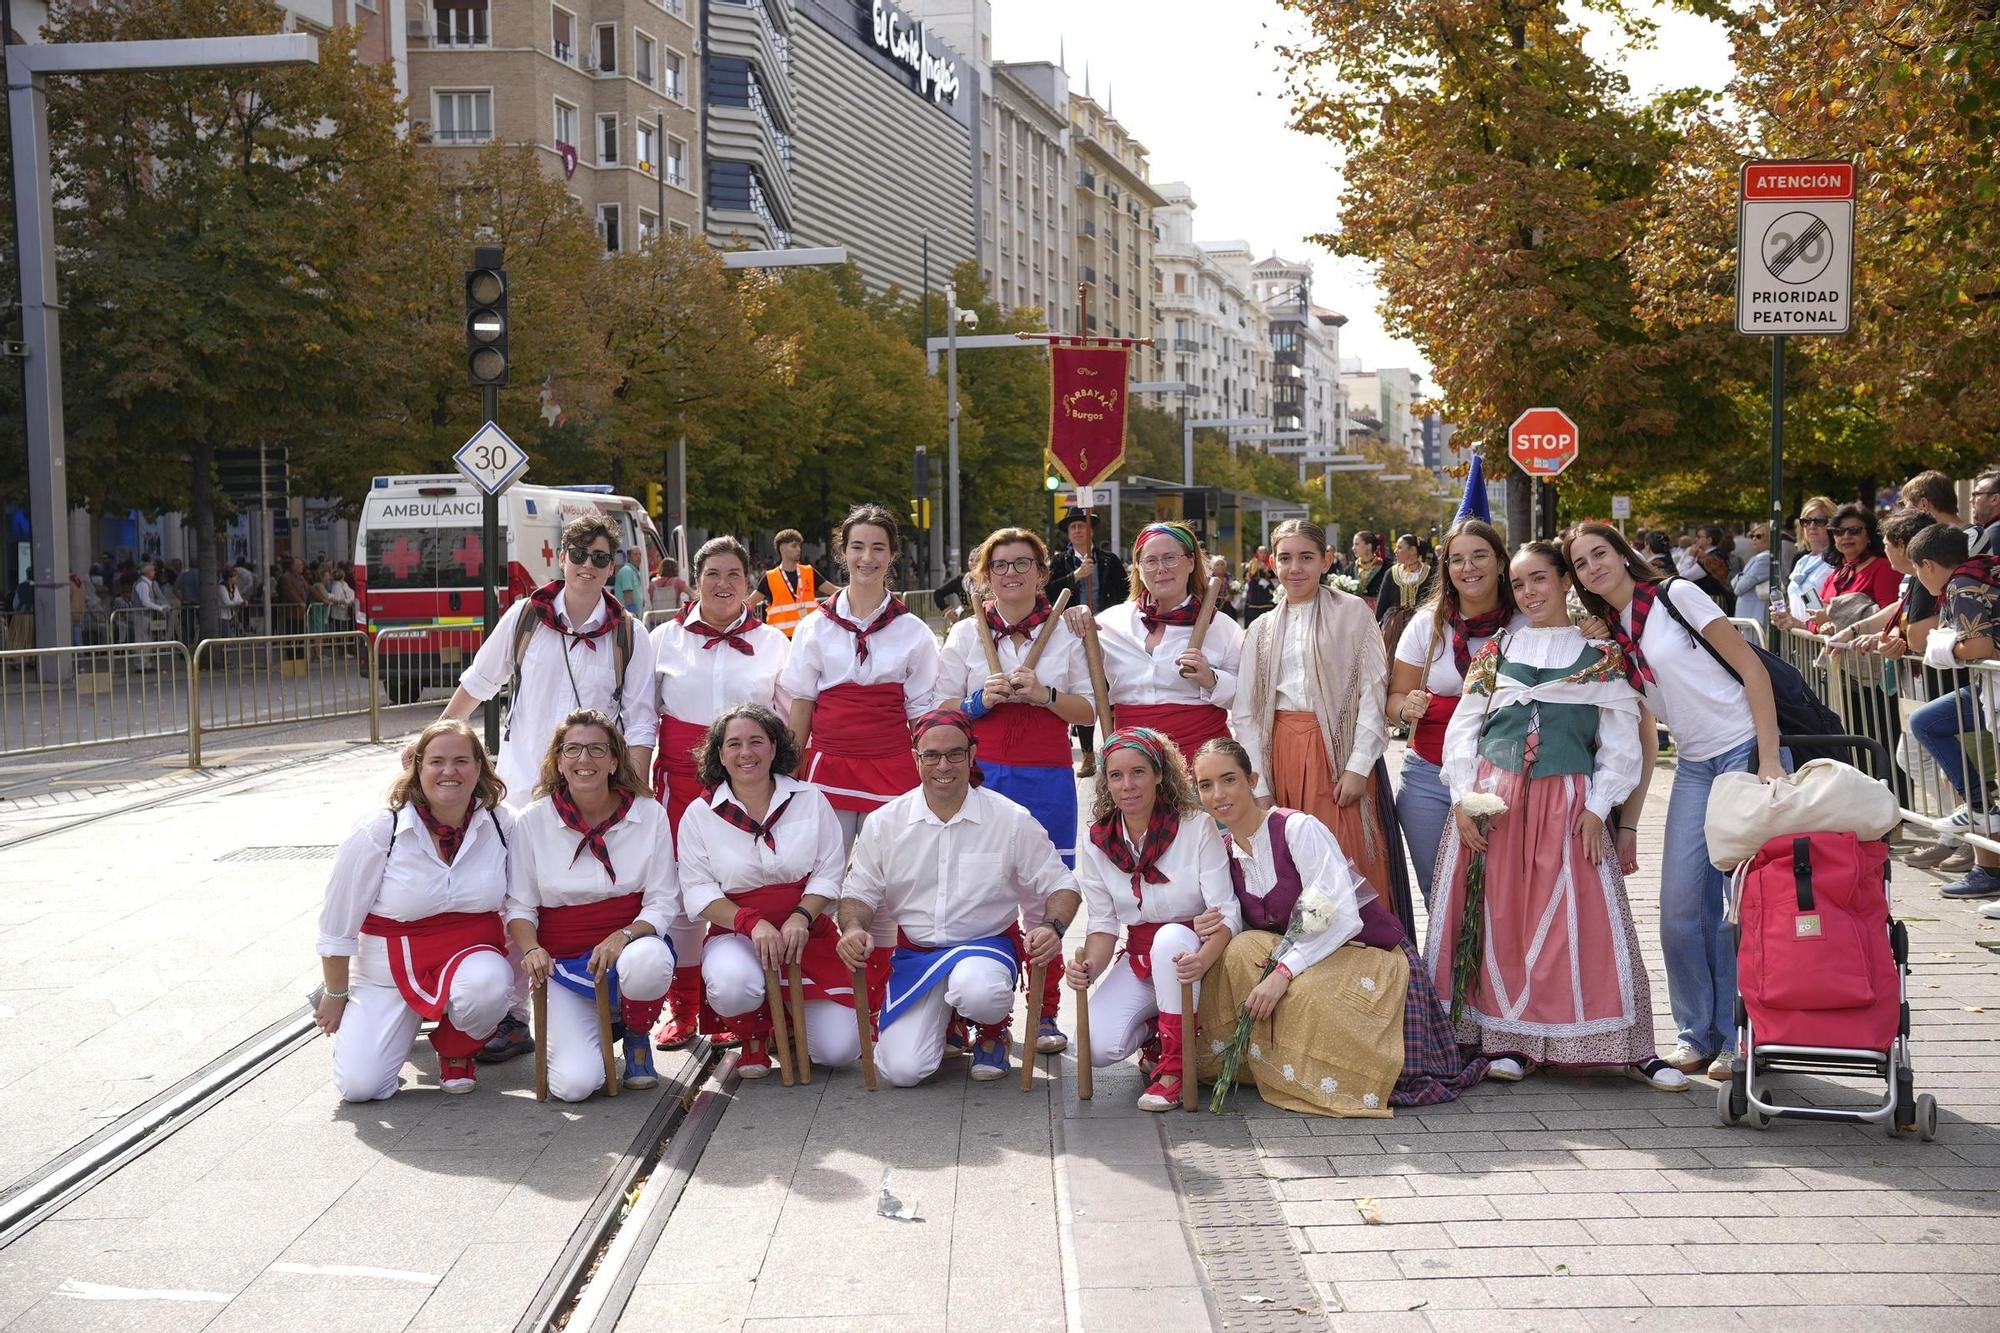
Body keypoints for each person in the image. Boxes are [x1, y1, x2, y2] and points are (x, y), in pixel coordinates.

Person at [1426, 543, 1687, 1091]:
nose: (1530, 593)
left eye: (1540, 579)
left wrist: (1600, 809)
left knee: (1581, 916)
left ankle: (1624, 1045)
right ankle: (1512, 1039)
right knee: (1502, 918)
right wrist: (1463, 797)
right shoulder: (1496, 651)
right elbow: (1464, 730)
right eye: (1520, 584)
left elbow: (1621, 742)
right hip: (1495, 801)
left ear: (1566, 581)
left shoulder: (1600, 655)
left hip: (1567, 801)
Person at [1567, 521, 1782, 1083]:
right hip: (1691, 764)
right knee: (1682, 910)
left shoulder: (1675, 595)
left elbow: (1753, 669)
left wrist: (1768, 758)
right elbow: (1637, 730)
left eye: (1601, 553)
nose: (1595, 566)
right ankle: (1696, 1033)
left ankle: (1743, 1036)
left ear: (1623, 554)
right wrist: (1629, 820)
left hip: (1740, 751)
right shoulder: (1611, 637)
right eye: (1582, 563)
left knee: (1738, 908)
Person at [1189, 740, 1488, 1115]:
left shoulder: (1296, 829)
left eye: (1229, 779)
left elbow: (1340, 914)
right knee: (1241, 949)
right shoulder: (1225, 850)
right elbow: (1241, 921)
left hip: (1370, 955)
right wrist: (1205, 921)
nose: (1218, 795)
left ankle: (1348, 1068)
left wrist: (1282, 972)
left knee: (1301, 991)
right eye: (1205, 785)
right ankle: (1276, 1060)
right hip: (1308, 956)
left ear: (1252, 780)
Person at [838, 709, 1079, 1085]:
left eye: (954, 753)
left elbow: (1062, 885)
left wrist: (1052, 926)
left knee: (979, 991)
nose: (943, 765)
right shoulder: (885, 822)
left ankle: (993, 1029)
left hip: (985, 947)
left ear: (972, 754)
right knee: (902, 1071)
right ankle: (948, 1020)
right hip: (918, 954)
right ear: (915, 758)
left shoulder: (1010, 819)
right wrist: (853, 927)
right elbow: (858, 892)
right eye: (931, 755)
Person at [938, 527, 1095, 1054]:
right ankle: (984, 1018)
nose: (1011, 573)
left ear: (1041, 572)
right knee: (976, 892)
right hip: (981, 777)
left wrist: (1047, 695)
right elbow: (939, 716)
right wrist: (979, 701)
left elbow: (1091, 710)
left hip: (1046, 776)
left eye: (1022, 563)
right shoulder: (964, 635)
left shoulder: (1067, 630)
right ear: (984, 576)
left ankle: (1045, 1013)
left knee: (1044, 896)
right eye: (1000, 565)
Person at [1229, 519, 1415, 937]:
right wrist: (1259, 784)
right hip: (1281, 752)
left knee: (1346, 860)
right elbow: (1246, 710)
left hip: (1336, 753)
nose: (1295, 568)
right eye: (1286, 558)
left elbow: (1372, 691)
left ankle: (1365, 965)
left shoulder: (1352, 614)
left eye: (1306, 558)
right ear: (1272, 561)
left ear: (1326, 560)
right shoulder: (1260, 629)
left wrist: (1358, 766)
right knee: (1291, 864)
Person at [313, 721, 516, 1101]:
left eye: (461, 760)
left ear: (480, 769)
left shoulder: (503, 824)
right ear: (418, 768)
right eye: (436, 761)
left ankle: (456, 1050)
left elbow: (524, 902)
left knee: (488, 986)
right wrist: (335, 992)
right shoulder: (379, 831)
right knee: (361, 1088)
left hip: (470, 958)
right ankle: (380, 1019)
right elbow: (336, 926)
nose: (449, 772)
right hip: (386, 971)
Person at [647, 535, 791, 1048]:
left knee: (742, 886)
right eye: (713, 574)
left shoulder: (775, 643)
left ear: (749, 583)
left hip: (751, 784)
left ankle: (741, 1003)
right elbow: (643, 719)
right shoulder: (661, 638)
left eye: (734, 574)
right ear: (696, 579)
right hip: (682, 785)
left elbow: (790, 721)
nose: (723, 583)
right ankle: (683, 1007)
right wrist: (642, 791)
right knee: (686, 896)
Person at [677, 703, 860, 1078]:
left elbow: (829, 870)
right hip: (738, 933)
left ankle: (790, 1024)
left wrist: (801, 916)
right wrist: (750, 922)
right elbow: (698, 891)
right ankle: (754, 1035)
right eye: (734, 744)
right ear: (720, 755)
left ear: (775, 748)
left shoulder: (810, 799)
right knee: (732, 984)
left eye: (757, 741)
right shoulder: (700, 814)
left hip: (804, 933)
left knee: (839, 1052)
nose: (746, 753)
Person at [506, 710, 681, 1100]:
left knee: (648, 961)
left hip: (630, 946)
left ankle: (636, 1032)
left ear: (616, 759)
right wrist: (532, 948)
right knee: (575, 1086)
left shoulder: (649, 813)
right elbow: (519, 906)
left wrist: (623, 936)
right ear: (558, 761)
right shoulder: (532, 821)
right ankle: (600, 1024)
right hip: (565, 962)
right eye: (573, 749)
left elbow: (663, 900)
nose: (585, 760)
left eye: (597, 749)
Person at [433, 513, 659, 811]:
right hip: (523, 789)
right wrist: (433, 741)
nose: (588, 564)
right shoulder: (524, 617)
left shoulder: (630, 635)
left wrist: (636, 797)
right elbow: (479, 681)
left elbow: (640, 723)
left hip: (593, 796)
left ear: (611, 568)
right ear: (562, 558)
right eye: (579, 554)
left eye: (600, 558)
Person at [1068, 728, 1238, 1111]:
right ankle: (1156, 1033)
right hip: (1140, 958)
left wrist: (1202, 959)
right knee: (1093, 1047)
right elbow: (1103, 925)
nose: (1127, 785)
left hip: (1195, 955)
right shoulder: (1096, 841)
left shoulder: (1196, 825)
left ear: (1159, 774)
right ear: (1106, 781)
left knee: (1170, 938)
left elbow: (1227, 911)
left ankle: (1175, 1069)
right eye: (1116, 775)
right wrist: (1089, 968)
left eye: (1138, 772)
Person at [782, 504, 940, 847]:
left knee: (888, 879)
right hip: (829, 769)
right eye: (857, 547)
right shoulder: (814, 628)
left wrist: (933, 770)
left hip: (891, 765)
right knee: (826, 877)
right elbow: (802, 706)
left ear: (892, 555)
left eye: (878, 547)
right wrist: (787, 776)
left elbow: (920, 713)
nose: (866, 557)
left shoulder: (914, 632)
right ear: (842, 552)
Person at [1386, 518, 1525, 901]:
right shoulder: (1426, 627)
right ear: (1446, 569)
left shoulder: (1527, 624)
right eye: (1457, 559)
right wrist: (1405, 709)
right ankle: (1448, 964)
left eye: (1480, 555)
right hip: (1430, 777)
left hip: (1506, 776)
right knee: (1441, 891)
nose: (1469, 567)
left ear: (1500, 563)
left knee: (1502, 893)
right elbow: (1394, 699)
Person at [1070, 520, 1243, 765]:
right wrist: (1072, 619)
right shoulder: (1108, 624)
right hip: (1133, 766)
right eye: (1150, 561)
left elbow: (1245, 700)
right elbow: (1078, 686)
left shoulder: (1222, 627)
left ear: (1191, 562)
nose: (1161, 568)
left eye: (1170, 558)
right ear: (1139, 568)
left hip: (1204, 765)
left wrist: (1211, 679)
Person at [1907, 523, 2000, 901]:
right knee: (1925, 721)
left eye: (1916, 570)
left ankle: (1979, 810)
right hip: (1986, 690)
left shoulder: (1962, 584)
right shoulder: (1980, 570)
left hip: (1992, 688)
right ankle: (1978, 806)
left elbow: (1978, 646)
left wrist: (1941, 648)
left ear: (1927, 564)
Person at [1046, 507, 1129, 776]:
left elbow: (1125, 593)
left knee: (1110, 687)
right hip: (1072, 633)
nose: (1078, 530)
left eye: (1083, 526)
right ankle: (1088, 755)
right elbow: (1046, 593)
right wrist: (1075, 577)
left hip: (1106, 631)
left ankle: (1116, 747)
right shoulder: (1060, 563)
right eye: (1073, 527)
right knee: (1084, 689)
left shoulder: (1109, 560)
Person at [1776, 496, 1839, 628]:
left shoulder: (1837, 560)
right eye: (1806, 521)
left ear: (1832, 524)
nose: (1812, 526)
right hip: (1798, 641)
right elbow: (1798, 600)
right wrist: (1784, 615)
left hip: (1821, 638)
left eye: (1819, 521)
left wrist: (1801, 625)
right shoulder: (1801, 561)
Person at [1375, 533, 1432, 656]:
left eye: (1400, 547)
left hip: (1422, 624)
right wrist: (1374, 627)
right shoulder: (1391, 572)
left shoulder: (1429, 572)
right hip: (1394, 625)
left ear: (1412, 550)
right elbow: (1382, 603)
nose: (1396, 551)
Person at [756, 528, 820, 637]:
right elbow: (749, 604)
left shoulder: (809, 572)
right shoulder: (770, 577)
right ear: (782, 549)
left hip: (808, 636)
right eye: (794, 546)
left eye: (800, 546)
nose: (799, 549)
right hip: (781, 641)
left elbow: (835, 591)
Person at [1731, 524, 1775, 630]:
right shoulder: (1757, 558)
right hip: (1748, 615)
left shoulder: (1765, 559)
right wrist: (1741, 577)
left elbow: (1739, 588)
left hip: (1754, 614)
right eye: (1752, 536)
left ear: (1769, 538)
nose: (1754, 539)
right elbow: (1734, 583)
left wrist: (1740, 577)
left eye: (1759, 536)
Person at [614, 545, 646, 614]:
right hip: (628, 617)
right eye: (635, 554)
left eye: (640, 554)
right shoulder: (627, 570)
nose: (639, 557)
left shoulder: (634, 571)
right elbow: (628, 596)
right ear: (629, 557)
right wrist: (633, 616)